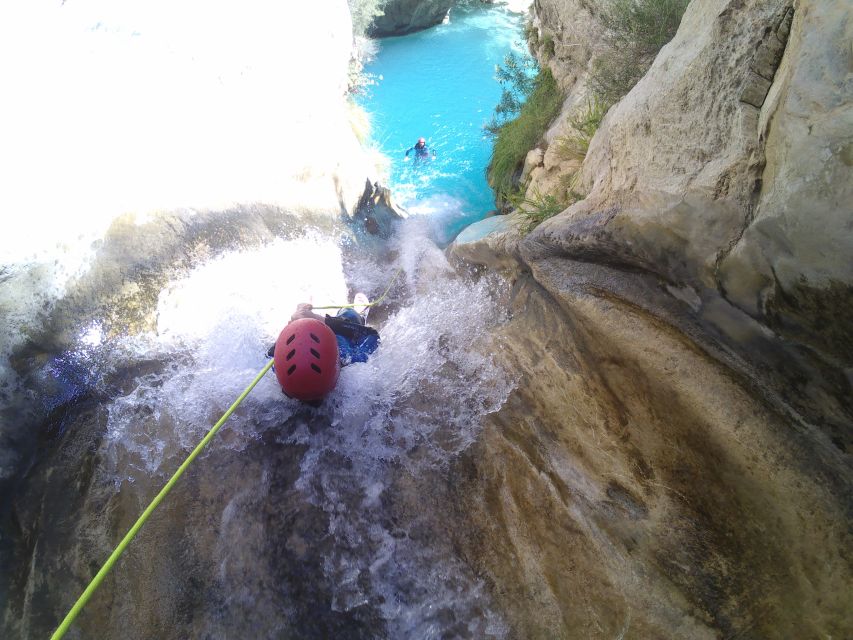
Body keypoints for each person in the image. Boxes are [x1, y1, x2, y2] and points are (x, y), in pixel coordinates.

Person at [278, 293, 380, 367]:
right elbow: (372, 334)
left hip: (330, 333)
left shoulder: (279, 363)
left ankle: (309, 320)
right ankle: (359, 316)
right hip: (342, 333)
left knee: (347, 314)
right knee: (349, 314)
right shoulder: (348, 359)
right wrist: (321, 320)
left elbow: (272, 353)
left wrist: (292, 328)